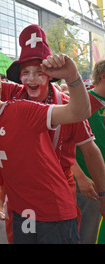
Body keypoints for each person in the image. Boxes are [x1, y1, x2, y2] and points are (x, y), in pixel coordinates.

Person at [0, 23, 105, 243]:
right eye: (26, 72)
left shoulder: (66, 105)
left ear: (51, 75)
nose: (32, 79)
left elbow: (90, 150)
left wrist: (101, 194)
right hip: (21, 199)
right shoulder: (15, 96)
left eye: (39, 72)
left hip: (56, 196)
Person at [0, 54, 90, 243]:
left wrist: (72, 76)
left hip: (53, 214)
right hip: (23, 212)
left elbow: (79, 111)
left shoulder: (23, 110)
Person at [75, 59, 105, 243]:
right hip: (90, 184)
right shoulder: (84, 102)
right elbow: (65, 143)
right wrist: (80, 177)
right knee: (89, 232)